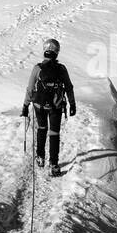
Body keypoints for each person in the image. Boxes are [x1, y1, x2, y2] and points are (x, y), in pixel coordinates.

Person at [21, 38, 76, 173]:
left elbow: (29, 88)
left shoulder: (37, 68)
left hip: (39, 105)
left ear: (44, 51)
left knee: (41, 128)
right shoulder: (61, 69)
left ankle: (40, 157)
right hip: (56, 105)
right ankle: (54, 165)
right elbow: (69, 87)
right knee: (54, 133)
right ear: (57, 53)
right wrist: (72, 103)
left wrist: (25, 105)